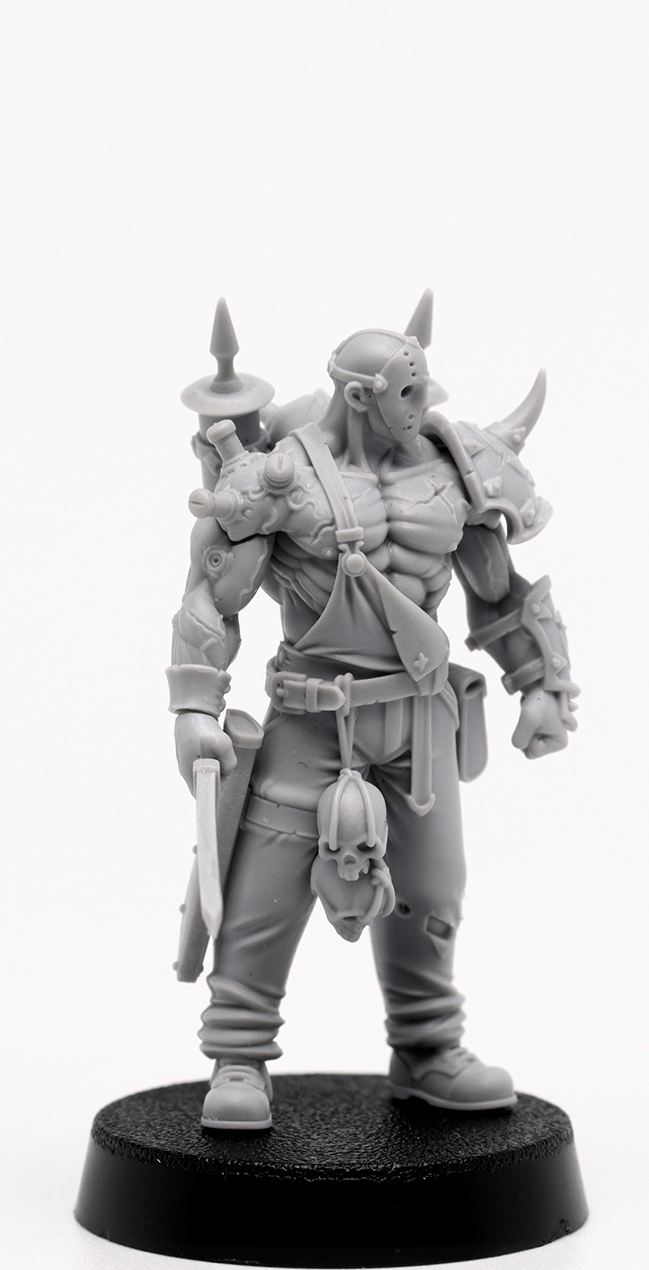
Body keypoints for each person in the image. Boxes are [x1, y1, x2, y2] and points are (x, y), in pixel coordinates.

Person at [168, 311, 577, 1129]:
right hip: (310, 719)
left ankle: (428, 1049)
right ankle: (239, 1055)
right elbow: (214, 595)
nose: (424, 406)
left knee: (430, 891)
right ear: (359, 396)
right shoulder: (282, 478)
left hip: (419, 722)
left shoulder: (448, 470)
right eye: (407, 393)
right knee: (263, 893)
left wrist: (541, 683)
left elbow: (497, 588)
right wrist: (194, 704)